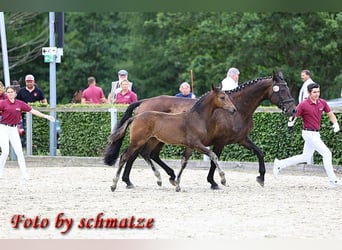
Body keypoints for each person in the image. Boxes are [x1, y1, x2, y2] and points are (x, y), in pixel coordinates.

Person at [273, 82, 342, 187]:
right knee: (327, 154)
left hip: (316, 134)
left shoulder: (322, 102)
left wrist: (335, 123)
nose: (317, 94)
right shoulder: (303, 104)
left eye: (318, 91)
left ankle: (280, 164)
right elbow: (294, 115)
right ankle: (333, 180)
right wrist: (290, 123)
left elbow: (330, 113)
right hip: (308, 134)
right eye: (314, 92)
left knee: (305, 157)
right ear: (309, 93)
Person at [0, 86, 55, 180]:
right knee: (5, 152)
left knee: (20, 152)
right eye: (8, 92)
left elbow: (32, 111)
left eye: (11, 92)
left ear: (15, 93)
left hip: (13, 129)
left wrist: (45, 116)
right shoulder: (3, 103)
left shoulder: (20, 104)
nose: (10, 94)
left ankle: (24, 174)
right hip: (3, 128)